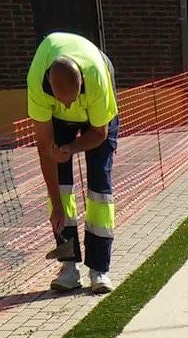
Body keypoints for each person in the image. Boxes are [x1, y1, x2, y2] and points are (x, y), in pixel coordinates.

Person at [27, 31, 119, 295]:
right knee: (62, 186)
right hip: (57, 121)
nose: (67, 105)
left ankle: (99, 269)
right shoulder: (38, 85)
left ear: (81, 85)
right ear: (50, 87)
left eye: (72, 97)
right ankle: (69, 267)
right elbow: (45, 150)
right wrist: (56, 204)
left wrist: (72, 147)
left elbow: (99, 134)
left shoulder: (97, 79)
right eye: (61, 99)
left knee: (100, 187)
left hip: (97, 116)